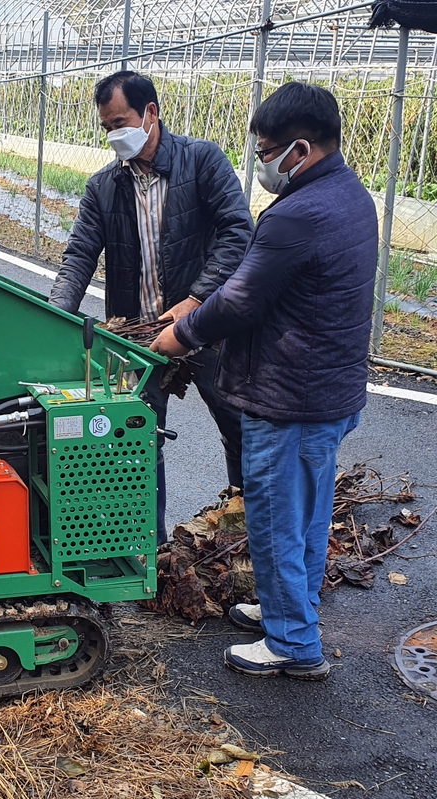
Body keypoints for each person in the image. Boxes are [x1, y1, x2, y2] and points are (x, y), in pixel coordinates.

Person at [151, 82, 377, 680]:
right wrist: (198, 306)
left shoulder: (299, 213)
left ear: (300, 149)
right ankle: (287, 611)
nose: (262, 163)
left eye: (267, 151)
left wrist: (184, 332)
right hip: (327, 390)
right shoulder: (350, 195)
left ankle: (293, 645)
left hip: (289, 394)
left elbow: (243, 300)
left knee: (277, 517)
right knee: (303, 512)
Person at [50, 71, 253, 543]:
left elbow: (237, 231)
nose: (114, 134)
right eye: (106, 127)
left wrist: (197, 299)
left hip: (206, 328)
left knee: (238, 426)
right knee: (136, 441)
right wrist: (55, 315)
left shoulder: (201, 161)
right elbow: (79, 254)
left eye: (121, 121)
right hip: (138, 339)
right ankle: (150, 551)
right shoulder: (104, 186)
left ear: (151, 113)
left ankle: (246, 533)